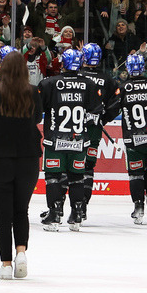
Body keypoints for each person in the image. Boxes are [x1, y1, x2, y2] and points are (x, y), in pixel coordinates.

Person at [0, 51, 42, 280]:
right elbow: (38, 119)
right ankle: (21, 252)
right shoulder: (33, 92)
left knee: (3, 213)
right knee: (21, 209)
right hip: (28, 159)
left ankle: (6, 264)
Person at [37, 49, 103, 232]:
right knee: (77, 177)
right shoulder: (89, 84)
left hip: (55, 141)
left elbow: (37, 109)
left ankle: (55, 213)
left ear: (63, 63)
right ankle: (77, 214)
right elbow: (96, 112)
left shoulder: (49, 83)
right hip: (79, 140)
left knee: (53, 177)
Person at [109, 54, 147, 223]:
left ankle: (138, 207)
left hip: (134, 138)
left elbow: (111, 110)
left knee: (135, 174)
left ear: (128, 68)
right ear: (143, 68)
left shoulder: (123, 88)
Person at [78, 42, 115, 220]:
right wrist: (103, 118)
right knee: (88, 168)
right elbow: (117, 102)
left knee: (68, 168)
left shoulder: (76, 75)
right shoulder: (107, 79)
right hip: (94, 131)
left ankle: (59, 206)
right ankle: (82, 206)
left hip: (74, 130)